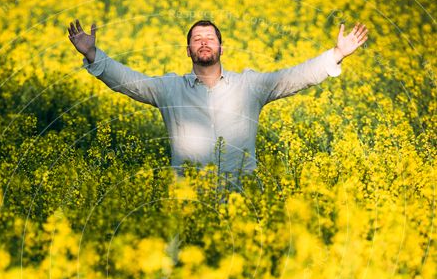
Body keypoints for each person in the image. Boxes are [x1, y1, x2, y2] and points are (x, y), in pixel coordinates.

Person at [68, 17, 368, 182]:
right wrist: (93, 54)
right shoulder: (169, 89)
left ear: (221, 48)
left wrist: (337, 54)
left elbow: (294, 77)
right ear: (188, 51)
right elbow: (128, 82)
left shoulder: (249, 85)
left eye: (210, 38)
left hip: (242, 196)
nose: (203, 43)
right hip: (187, 197)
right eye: (197, 39)